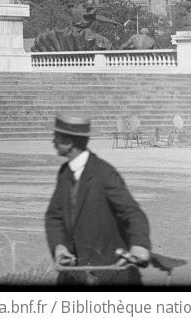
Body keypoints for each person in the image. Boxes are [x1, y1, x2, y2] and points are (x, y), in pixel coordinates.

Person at [45, 110, 152, 286]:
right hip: (74, 275)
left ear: (68, 141)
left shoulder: (104, 173)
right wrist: (59, 246)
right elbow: (54, 216)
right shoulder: (64, 173)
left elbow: (133, 213)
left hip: (110, 275)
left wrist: (139, 244)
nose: (53, 141)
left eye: (56, 136)